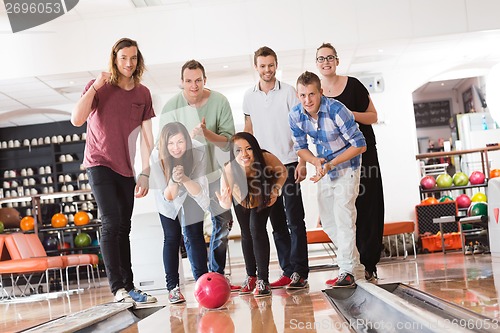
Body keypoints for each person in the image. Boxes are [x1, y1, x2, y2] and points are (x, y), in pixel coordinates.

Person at [71, 37, 157, 303]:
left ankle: (129, 286)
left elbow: (147, 137)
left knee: (124, 226)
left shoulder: (142, 93)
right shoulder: (98, 88)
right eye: (123, 58)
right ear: (114, 58)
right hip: (99, 162)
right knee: (111, 222)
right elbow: (76, 120)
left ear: (138, 60)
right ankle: (117, 287)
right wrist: (96, 86)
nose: (128, 63)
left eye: (133, 58)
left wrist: (145, 171)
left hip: (126, 168)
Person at [159, 60, 238, 290]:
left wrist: (206, 134)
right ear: (181, 82)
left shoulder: (219, 102)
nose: (194, 86)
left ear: (205, 80)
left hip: (214, 174)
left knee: (223, 223)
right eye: (188, 81)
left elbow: (228, 143)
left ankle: (217, 275)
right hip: (188, 179)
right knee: (192, 231)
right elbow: (162, 145)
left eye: (198, 80)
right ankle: (203, 282)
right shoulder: (171, 107)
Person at [288, 71, 366, 288]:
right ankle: (357, 269)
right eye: (302, 95)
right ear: (297, 94)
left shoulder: (336, 110)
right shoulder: (295, 115)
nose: (307, 100)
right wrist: (315, 161)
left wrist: (330, 163)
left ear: (320, 92)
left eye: (312, 94)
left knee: (344, 216)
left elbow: (360, 144)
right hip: (324, 170)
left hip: (347, 167)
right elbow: (300, 148)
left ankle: (346, 270)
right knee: (330, 223)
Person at [316, 43, 385, 282]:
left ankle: (369, 264)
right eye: (321, 58)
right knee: (341, 212)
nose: (326, 62)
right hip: (336, 158)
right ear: (317, 63)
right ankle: (351, 263)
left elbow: (373, 116)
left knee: (367, 205)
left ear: (336, 60)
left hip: (363, 152)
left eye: (330, 57)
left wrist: (347, 112)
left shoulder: (353, 85)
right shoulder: (316, 92)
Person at [242, 46, 309, 290]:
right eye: (263, 66)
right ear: (256, 67)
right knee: (277, 223)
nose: (267, 70)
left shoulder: (290, 93)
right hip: (264, 170)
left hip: (290, 163)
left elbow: (299, 129)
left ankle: (300, 272)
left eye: (271, 65)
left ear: (276, 65)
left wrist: (302, 161)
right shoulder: (249, 96)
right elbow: (248, 133)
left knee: (295, 220)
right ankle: (287, 270)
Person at [216, 132, 287, 297]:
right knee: (246, 233)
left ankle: (263, 280)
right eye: (238, 150)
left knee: (257, 228)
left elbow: (282, 172)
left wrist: (275, 191)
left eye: (248, 149)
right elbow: (224, 204)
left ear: (255, 148)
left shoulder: (266, 158)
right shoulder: (229, 170)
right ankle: (251, 276)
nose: (244, 154)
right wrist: (224, 201)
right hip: (241, 196)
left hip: (263, 191)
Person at [150, 122, 210, 304]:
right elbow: (168, 196)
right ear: (164, 145)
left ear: (187, 141)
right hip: (168, 191)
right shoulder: (156, 156)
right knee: (172, 236)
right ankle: (173, 288)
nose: (176, 148)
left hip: (191, 186)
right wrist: (175, 181)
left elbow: (199, 189)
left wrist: (184, 178)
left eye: (180, 142)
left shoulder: (198, 150)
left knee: (194, 235)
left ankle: (202, 283)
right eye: (171, 143)